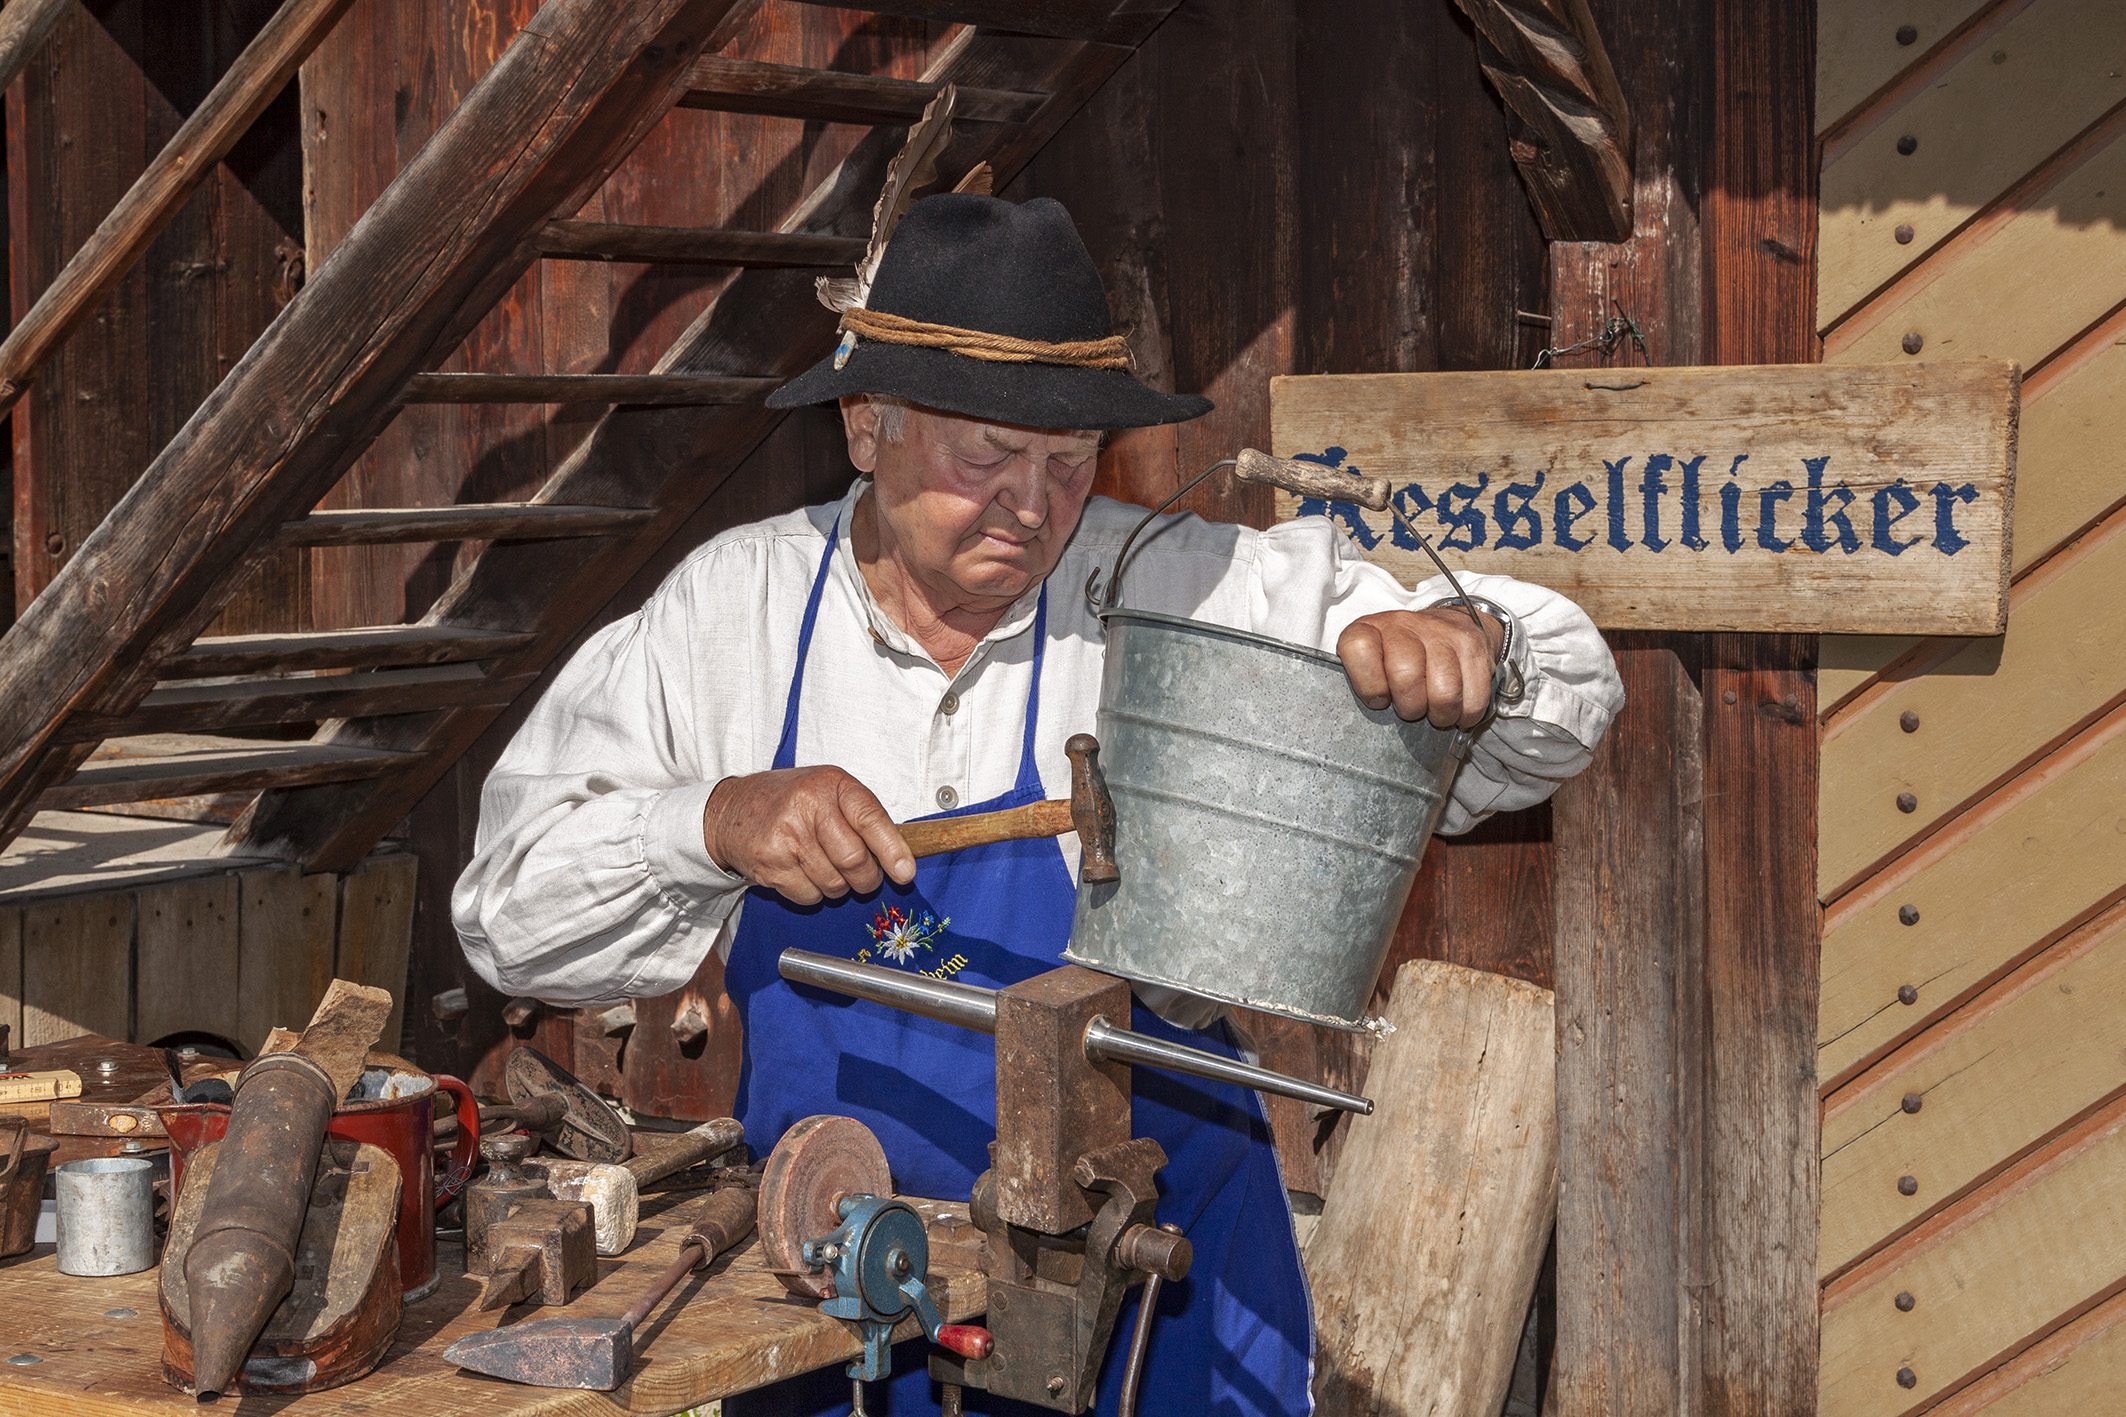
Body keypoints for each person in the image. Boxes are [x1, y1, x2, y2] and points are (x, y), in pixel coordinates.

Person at [456, 193, 1622, 1415]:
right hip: (844, 1281)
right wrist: (705, 823)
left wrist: (1466, 641)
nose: (1031, 505)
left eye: (1068, 465)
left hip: (1150, 1278)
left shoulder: (1169, 581)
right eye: (986, 457)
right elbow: (506, 920)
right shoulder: (732, 613)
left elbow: (1567, 683)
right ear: (868, 427)